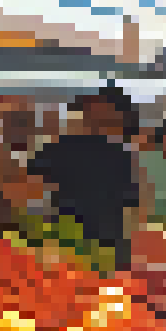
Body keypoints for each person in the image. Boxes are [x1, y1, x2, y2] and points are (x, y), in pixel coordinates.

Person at [26, 86, 143, 270]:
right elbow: (31, 186)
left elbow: (130, 204)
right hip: (68, 243)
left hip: (95, 244)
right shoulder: (58, 148)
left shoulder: (122, 154)